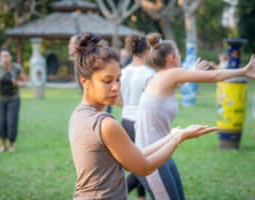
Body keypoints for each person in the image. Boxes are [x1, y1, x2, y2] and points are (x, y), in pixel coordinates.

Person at [68, 32, 217, 199]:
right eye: (107, 81)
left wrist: (171, 136)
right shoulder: (106, 125)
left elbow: (133, 156)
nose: (116, 87)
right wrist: (177, 139)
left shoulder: (78, 115)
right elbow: (143, 168)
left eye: (118, 80)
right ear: (84, 81)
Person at [135, 33, 255, 200]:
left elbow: (176, 83)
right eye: (178, 53)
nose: (180, 57)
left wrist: (192, 73)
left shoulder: (158, 79)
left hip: (163, 150)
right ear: (171, 58)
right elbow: (214, 76)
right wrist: (243, 70)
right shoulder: (171, 75)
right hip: (149, 156)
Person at [120, 34, 155, 200]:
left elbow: (119, 98)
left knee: (137, 160)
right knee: (142, 163)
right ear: (146, 52)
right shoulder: (149, 73)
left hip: (125, 120)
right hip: (140, 123)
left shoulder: (123, 72)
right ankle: (118, 193)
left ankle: (141, 197)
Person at [0, 48, 27, 153]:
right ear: (0, 58)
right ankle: (2, 144)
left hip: (13, 98)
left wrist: (17, 83)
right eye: (2, 56)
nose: (5, 58)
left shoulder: (16, 68)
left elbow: (24, 82)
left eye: (7, 56)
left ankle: (11, 144)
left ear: (11, 57)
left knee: (11, 122)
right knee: (1, 123)